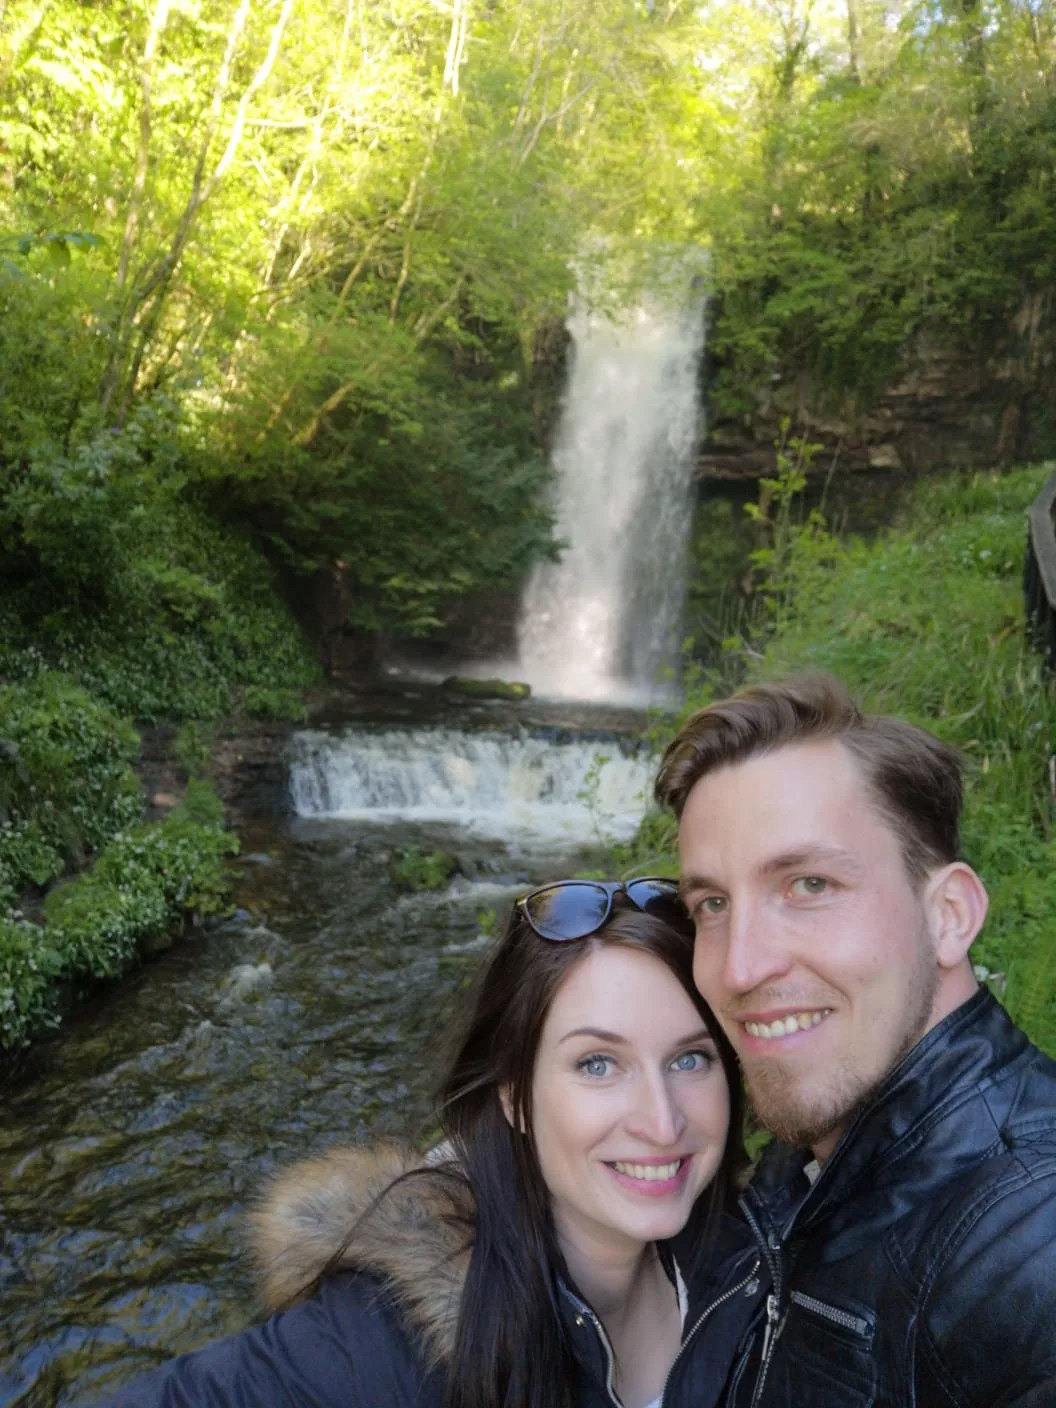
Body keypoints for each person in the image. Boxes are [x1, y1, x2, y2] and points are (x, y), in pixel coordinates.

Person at [98, 879, 759, 1408]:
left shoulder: (759, 1257)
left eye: (689, 1060)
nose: (662, 1121)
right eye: (596, 1064)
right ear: (514, 1099)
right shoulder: (386, 1342)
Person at [654, 671, 1056, 1407]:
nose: (740, 967)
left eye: (809, 885)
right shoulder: (801, 1167)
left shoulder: (1030, 1247)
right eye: (712, 903)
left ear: (950, 916)